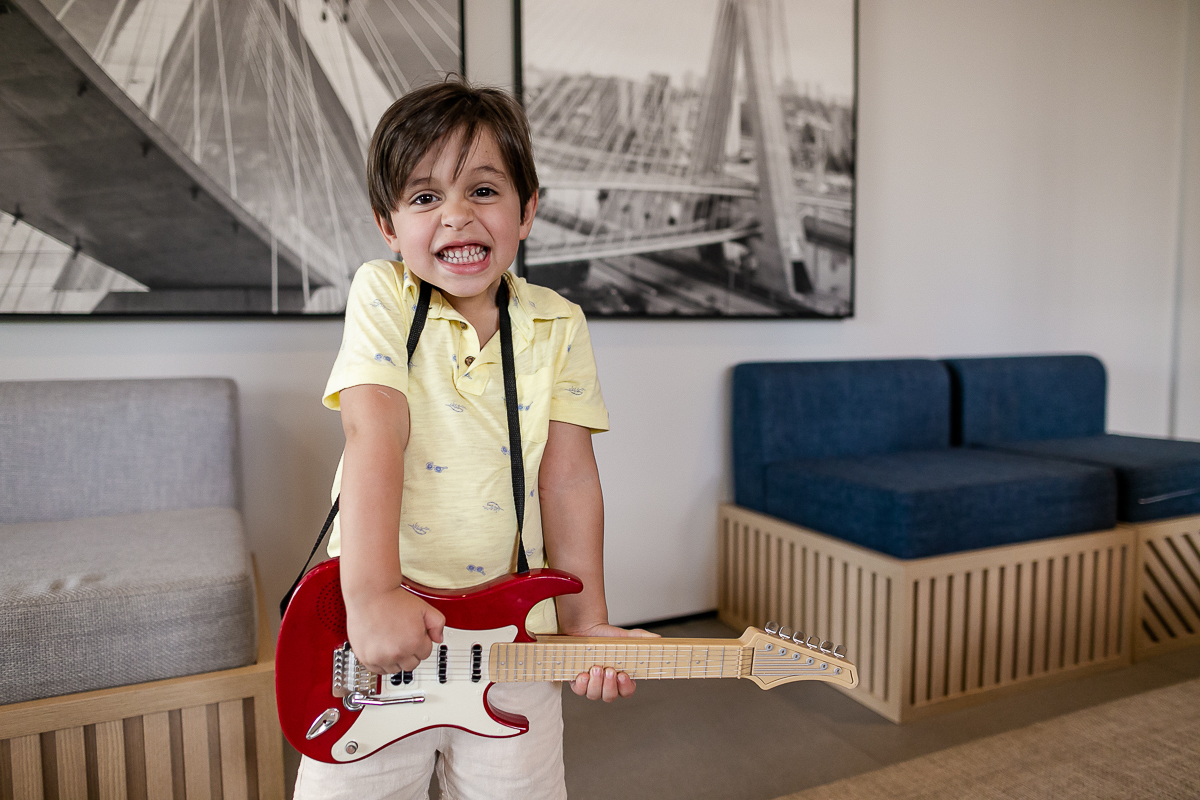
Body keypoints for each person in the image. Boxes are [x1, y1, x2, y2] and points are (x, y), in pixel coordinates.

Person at [292, 79, 655, 800]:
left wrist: (588, 625)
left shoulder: (558, 324)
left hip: (513, 640)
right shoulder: (383, 294)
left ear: (528, 210)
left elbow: (570, 478)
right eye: (425, 198)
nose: (457, 216)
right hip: (374, 638)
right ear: (389, 227)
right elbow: (373, 430)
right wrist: (370, 596)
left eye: (483, 190)